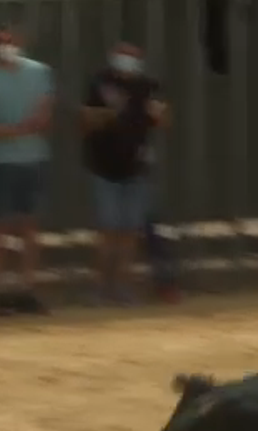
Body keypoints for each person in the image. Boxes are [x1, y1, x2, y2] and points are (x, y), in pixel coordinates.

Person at [0, 26, 54, 315]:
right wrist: (17, 129)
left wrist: (4, 130)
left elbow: (43, 117)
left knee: (30, 226)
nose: (6, 46)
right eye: (0, 42)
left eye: (10, 41)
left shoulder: (40, 72)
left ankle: (28, 288)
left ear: (21, 42)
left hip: (33, 159)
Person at [82, 42, 167, 305]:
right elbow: (85, 120)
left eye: (132, 58)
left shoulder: (148, 86)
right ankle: (100, 289)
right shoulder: (100, 83)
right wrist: (109, 113)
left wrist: (158, 113)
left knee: (129, 231)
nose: (127, 62)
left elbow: (163, 120)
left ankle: (122, 287)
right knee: (108, 230)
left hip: (136, 169)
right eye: (123, 57)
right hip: (104, 169)